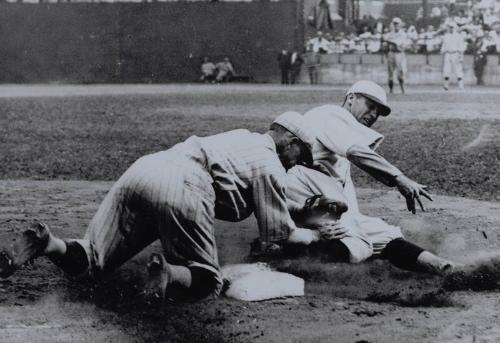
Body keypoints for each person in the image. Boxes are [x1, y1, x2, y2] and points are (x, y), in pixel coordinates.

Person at [0, 112, 337, 302]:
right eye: (301, 157)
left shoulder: (242, 138)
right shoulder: (272, 165)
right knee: (207, 281)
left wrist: (304, 206)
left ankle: (47, 244)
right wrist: (318, 235)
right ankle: (168, 273)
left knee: (92, 260)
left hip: (145, 170)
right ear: (291, 142)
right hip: (187, 185)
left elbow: (260, 200)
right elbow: (279, 235)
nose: (297, 165)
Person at [280, 81, 458, 275]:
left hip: (314, 194)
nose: (374, 114)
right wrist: (399, 178)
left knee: (381, 233)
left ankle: (443, 267)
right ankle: (281, 260)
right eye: (370, 106)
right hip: (299, 189)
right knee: (354, 239)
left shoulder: (340, 146)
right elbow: (357, 151)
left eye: (378, 112)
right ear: (351, 98)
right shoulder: (330, 114)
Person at [384, 17, 408, 94]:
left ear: (400, 24)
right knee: (390, 73)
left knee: (400, 73)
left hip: (399, 53)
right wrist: (389, 41)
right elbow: (385, 39)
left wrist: (389, 40)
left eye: (397, 23)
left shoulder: (403, 34)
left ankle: (402, 89)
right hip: (391, 52)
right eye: (394, 23)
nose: (395, 25)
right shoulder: (390, 33)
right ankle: (391, 90)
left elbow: (396, 43)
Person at [440, 22, 466, 90]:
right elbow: (444, 46)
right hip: (447, 54)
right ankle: (446, 85)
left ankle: (461, 85)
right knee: (446, 70)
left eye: (452, 27)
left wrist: (461, 56)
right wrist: (442, 52)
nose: (451, 29)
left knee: (458, 69)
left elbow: (461, 48)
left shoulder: (458, 36)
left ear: (455, 28)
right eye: (450, 27)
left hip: (455, 53)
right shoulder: (446, 36)